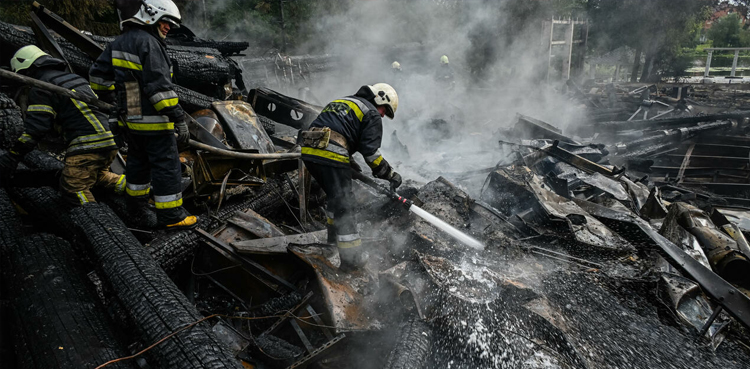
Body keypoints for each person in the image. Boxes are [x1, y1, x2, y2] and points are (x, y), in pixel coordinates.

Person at [89, 0, 196, 230]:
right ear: (151, 16)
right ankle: (171, 217)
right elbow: (159, 90)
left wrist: (115, 100)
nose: (168, 28)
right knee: (167, 166)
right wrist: (179, 118)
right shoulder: (149, 43)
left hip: (132, 119)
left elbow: (97, 77)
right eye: (166, 22)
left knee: (138, 162)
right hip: (156, 122)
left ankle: (136, 206)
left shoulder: (118, 43)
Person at [0, 45, 125, 206]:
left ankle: (96, 218)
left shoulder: (42, 87)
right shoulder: (73, 78)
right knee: (98, 176)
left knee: (72, 188)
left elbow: (36, 128)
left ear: (25, 69)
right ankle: (143, 192)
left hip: (88, 144)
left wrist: (12, 156)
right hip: (110, 140)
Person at [300, 83, 402, 270]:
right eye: (383, 110)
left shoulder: (344, 101)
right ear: (379, 99)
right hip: (330, 155)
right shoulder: (371, 112)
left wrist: (347, 162)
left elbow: (338, 130)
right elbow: (370, 152)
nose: (381, 115)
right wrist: (390, 174)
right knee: (345, 205)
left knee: (335, 198)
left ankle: (332, 240)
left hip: (309, 152)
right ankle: (351, 261)